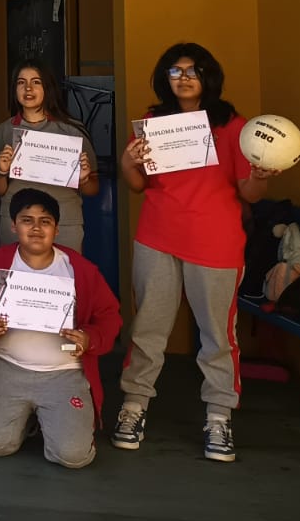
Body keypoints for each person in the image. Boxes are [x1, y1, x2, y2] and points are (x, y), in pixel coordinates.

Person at [113, 42, 278, 462]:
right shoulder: (153, 122)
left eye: (193, 70)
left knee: (218, 338)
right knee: (148, 330)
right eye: (175, 70)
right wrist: (129, 161)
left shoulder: (233, 125)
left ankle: (219, 417)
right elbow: (138, 185)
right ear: (164, 78)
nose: (184, 77)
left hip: (215, 244)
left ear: (208, 76)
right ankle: (133, 407)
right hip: (158, 237)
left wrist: (260, 175)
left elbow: (250, 193)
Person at [0, 189, 122, 469]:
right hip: (8, 366)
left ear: (57, 229)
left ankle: (51, 419)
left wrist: (89, 338)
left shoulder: (78, 269)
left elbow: (110, 317)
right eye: (27, 220)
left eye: (45, 221)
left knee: (73, 456)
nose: (36, 228)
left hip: (65, 373)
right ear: (14, 226)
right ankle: (28, 420)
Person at [0, 59, 99, 252]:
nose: (28, 88)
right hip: (16, 223)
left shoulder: (72, 131)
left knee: (61, 280)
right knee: (20, 281)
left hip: (64, 222)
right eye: (21, 82)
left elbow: (92, 190)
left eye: (36, 82)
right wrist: (1, 172)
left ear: (48, 88)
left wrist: (84, 178)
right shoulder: (4, 131)